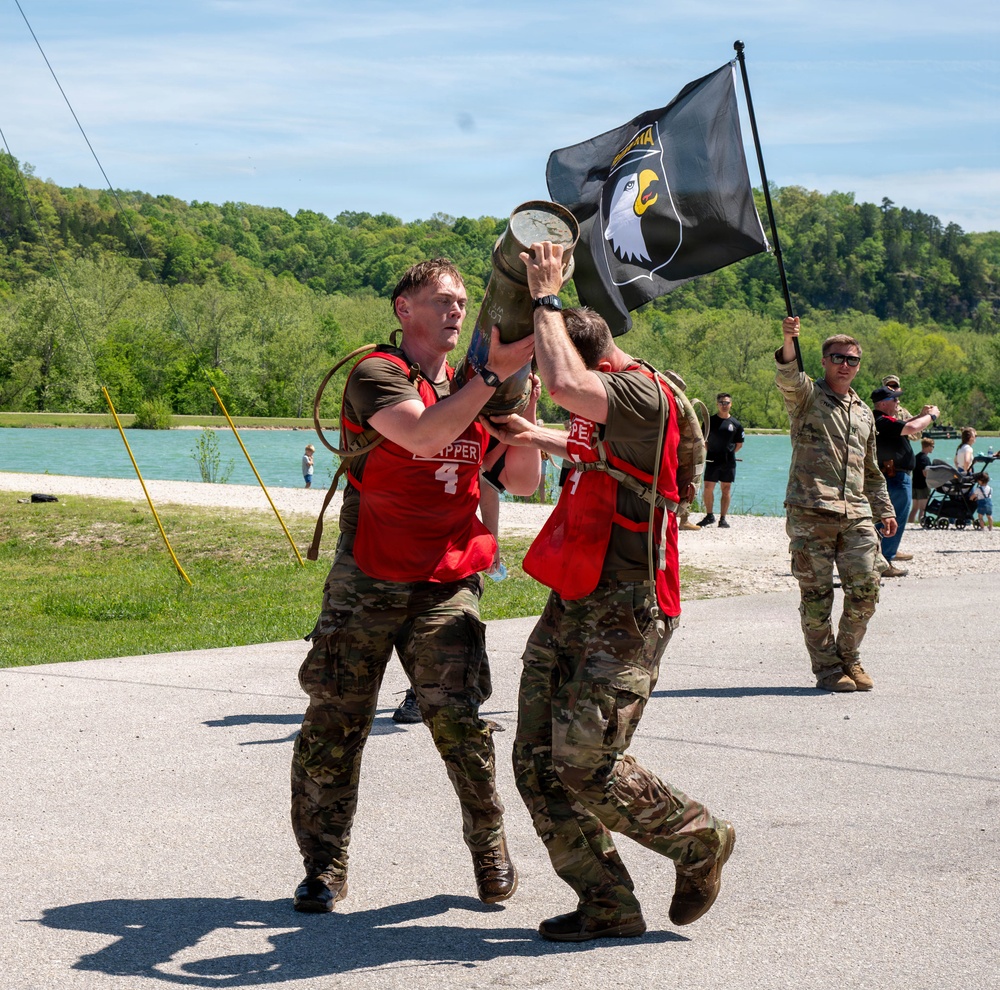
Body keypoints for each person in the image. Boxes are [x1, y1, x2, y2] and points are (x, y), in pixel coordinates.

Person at [486, 239, 734, 943]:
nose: (550, 385)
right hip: (576, 598)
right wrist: (538, 432)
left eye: (549, 359)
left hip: (627, 608)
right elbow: (593, 443)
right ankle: (606, 902)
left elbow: (571, 389)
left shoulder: (641, 394)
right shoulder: (611, 409)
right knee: (535, 763)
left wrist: (544, 296)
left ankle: (698, 837)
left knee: (585, 765)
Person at [289, 258, 539, 913]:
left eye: (463, 301)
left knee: (461, 725)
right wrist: (492, 377)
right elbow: (425, 436)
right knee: (333, 726)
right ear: (405, 309)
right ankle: (324, 868)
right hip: (367, 577)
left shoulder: (472, 385)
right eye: (443, 300)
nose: (458, 310)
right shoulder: (379, 373)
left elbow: (519, 482)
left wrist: (524, 405)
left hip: (447, 580)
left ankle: (490, 853)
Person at [775, 317, 897, 692]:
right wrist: (789, 339)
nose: (846, 364)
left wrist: (885, 509)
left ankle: (850, 657)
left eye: (852, 359)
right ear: (825, 361)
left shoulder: (863, 412)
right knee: (816, 597)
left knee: (866, 589)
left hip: (856, 513)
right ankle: (827, 669)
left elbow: (871, 468)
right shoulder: (807, 396)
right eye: (838, 357)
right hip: (811, 512)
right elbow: (788, 375)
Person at [870, 386, 939, 575]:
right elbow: (911, 428)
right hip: (896, 477)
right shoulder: (882, 421)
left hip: (894, 476)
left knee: (885, 519)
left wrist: (920, 414)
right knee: (894, 520)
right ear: (883, 403)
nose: (898, 402)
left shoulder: (883, 421)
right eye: (895, 399)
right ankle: (885, 562)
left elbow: (905, 424)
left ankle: (878, 560)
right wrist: (931, 416)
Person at [696, 393, 744, 529]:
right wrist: (711, 452)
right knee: (708, 488)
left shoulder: (736, 424)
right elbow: (703, 440)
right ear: (717, 404)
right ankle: (709, 515)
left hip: (728, 462)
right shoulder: (709, 422)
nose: (724, 405)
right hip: (712, 460)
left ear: (731, 404)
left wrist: (728, 453)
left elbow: (739, 444)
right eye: (722, 403)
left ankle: (723, 519)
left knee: (726, 489)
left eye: (727, 403)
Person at [908, 438, 936, 524]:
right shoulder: (925, 459)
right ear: (928, 446)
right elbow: (925, 473)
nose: (932, 448)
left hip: (915, 485)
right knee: (923, 508)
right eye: (932, 446)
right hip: (923, 486)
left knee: (914, 508)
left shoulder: (916, 457)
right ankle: (922, 524)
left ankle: (910, 524)